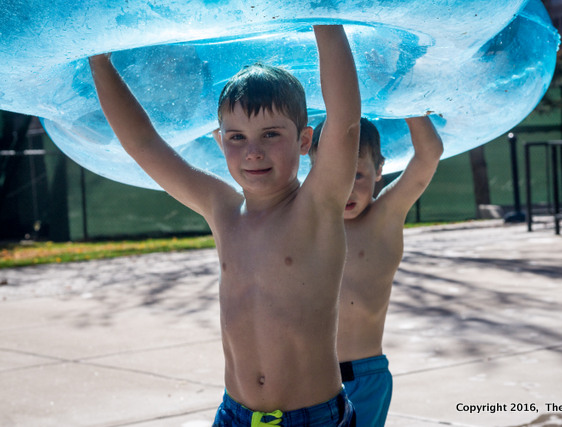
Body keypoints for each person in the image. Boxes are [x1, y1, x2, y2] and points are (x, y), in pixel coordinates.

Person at [89, 25, 360, 426]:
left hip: (311, 417)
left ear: (305, 140)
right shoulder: (223, 210)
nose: (253, 151)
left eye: (271, 134)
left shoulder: (315, 207)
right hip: (235, 414)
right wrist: (99, 61)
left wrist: (324, 19)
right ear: (219, 142)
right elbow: (144, 145)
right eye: (236, 137)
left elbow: (345, 120)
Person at [310, 115, 443, 427]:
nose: (345, 187)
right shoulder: (308, 221)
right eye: (332, 173)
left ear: (379, 170)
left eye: (356, 175)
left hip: (363, 379)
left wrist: (409, 104)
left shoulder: (385, 217)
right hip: (306, 378)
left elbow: (429, 154)